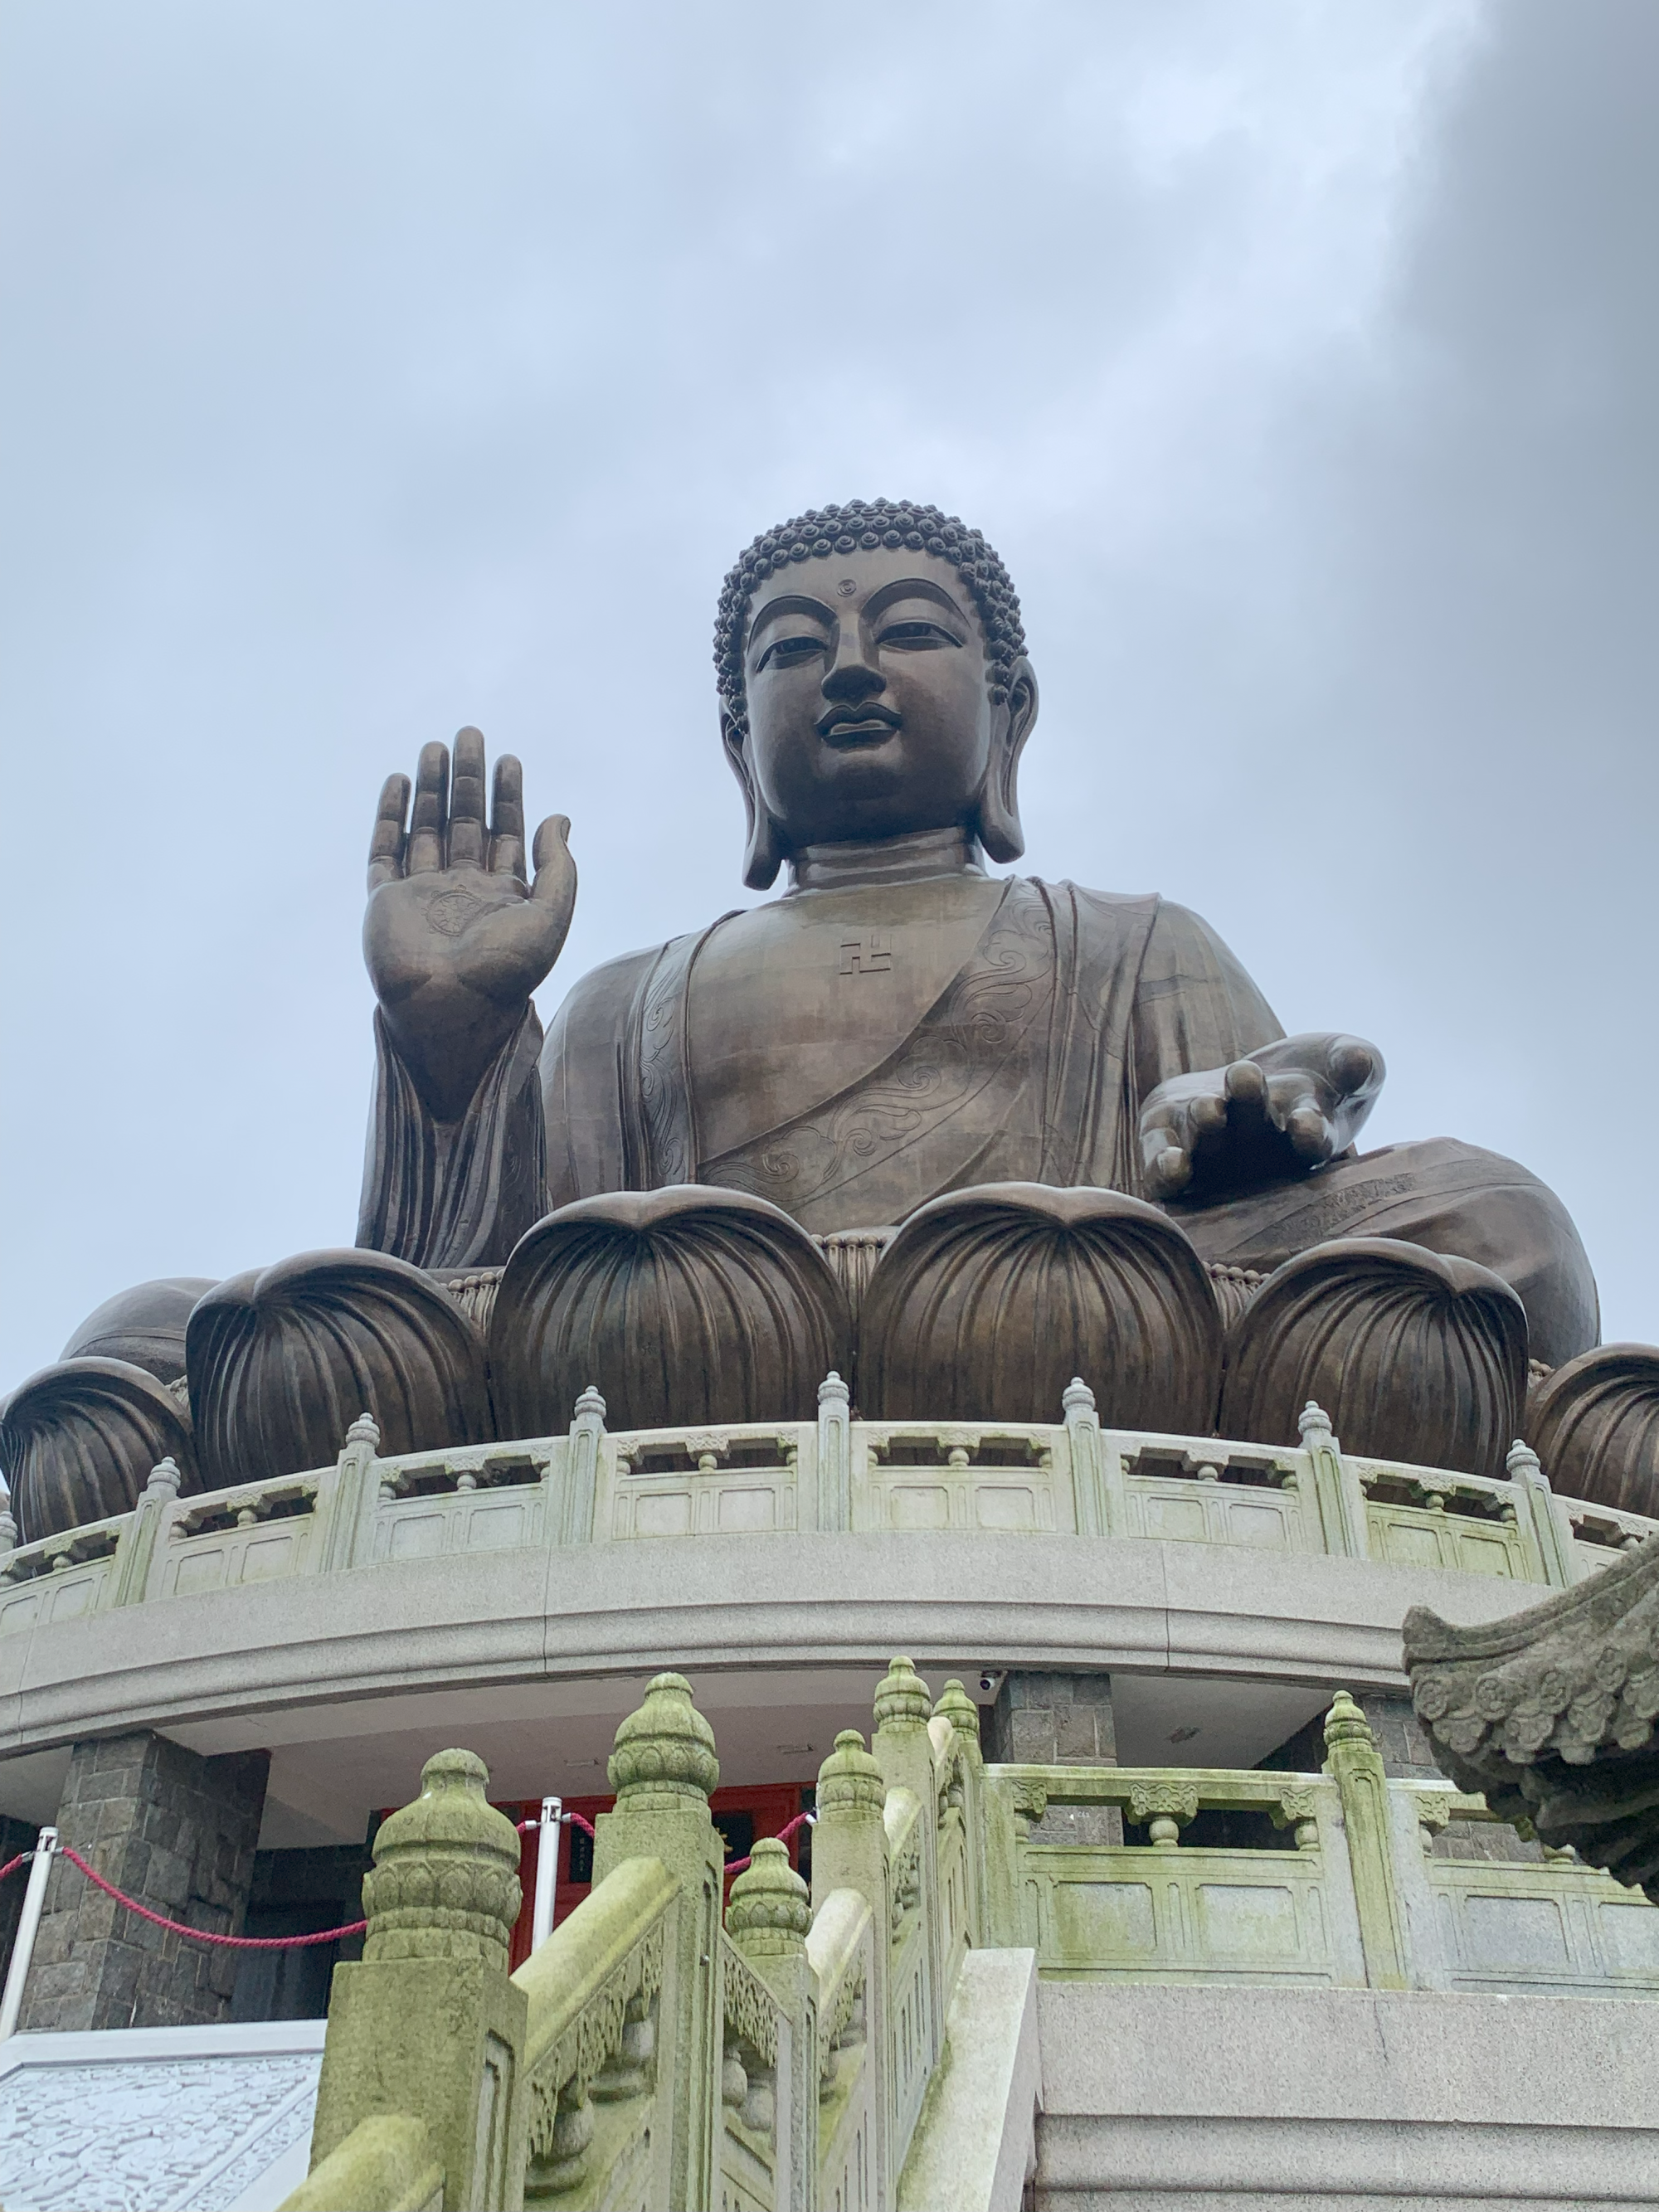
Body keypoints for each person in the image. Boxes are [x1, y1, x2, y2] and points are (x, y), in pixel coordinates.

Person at [356, 497, 1596, 1366]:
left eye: (908, 631)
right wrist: (450, 1048)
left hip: (1070, 1329)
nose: (849, 669)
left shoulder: (1135, 942)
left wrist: (1245, 1137)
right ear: (740, 742)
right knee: (176, 1333)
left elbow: (1246, 1219)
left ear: (1011, 714)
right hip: (704, 1345)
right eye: (793, 649)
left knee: (1500, 1223)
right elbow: (487, 1291)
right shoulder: (625, 1000)